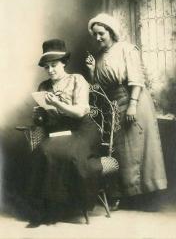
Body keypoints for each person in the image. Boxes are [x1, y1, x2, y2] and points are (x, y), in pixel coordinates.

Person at [85, 13, 167, 211]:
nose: (97, 38)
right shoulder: (98, 56)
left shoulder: (127, 49)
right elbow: (98, 89)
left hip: (134, 100)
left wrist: (132, 104)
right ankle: (125, 195)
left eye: (101, 34)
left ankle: (145, 197)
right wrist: (91, 70)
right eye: (94, 35)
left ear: (111, 32)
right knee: (121, 151)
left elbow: (137, 78)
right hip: (113, 105)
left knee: (138, 149)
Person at [25, 38, 103, 226]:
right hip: (59, 132)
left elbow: (79, 111)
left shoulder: (77, 79)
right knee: (43, 151)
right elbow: (42, 120)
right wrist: (39, 115)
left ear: (64, 63)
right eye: (47, 67)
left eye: (54, 66)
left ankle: (62, 208)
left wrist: (57, 104)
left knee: (69, 152)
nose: (50, 70)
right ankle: (46, 208)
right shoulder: (43, 87)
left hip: (83, 129)